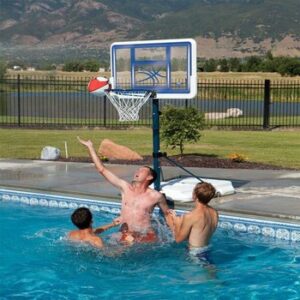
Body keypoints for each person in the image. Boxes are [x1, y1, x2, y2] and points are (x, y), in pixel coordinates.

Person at [77, 137, 169, 243]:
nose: (137, 171)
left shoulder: (156, 196)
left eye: (142, 170)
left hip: (145, 235)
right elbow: (101, 169)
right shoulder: (125, 188)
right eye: (138, 169)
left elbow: (167, 215)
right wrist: (90, 147)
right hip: (125, 233)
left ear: (149, 177)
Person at [166, 182, 218, 261]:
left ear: (194, 196)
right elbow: (198, 233)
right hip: (207, 249)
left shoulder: (191, 216)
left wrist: (177, 221)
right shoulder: (214, 212)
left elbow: (178, 240)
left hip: (195, 254)